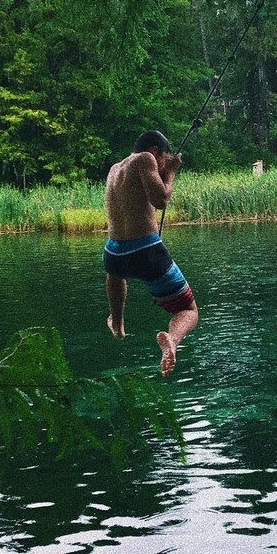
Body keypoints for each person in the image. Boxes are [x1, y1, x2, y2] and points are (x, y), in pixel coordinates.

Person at [102, 130, 199, 376]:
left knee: (115, 275)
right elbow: (161, 200)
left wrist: (165, 169)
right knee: (188, 311)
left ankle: (118, 323)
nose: (163, 166)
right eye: (164, 160)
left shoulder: (115, 169)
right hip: (145, 250)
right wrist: (172, 172)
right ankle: (172, 340)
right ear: (155, 150)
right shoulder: (145, 159)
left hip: (113, 253)